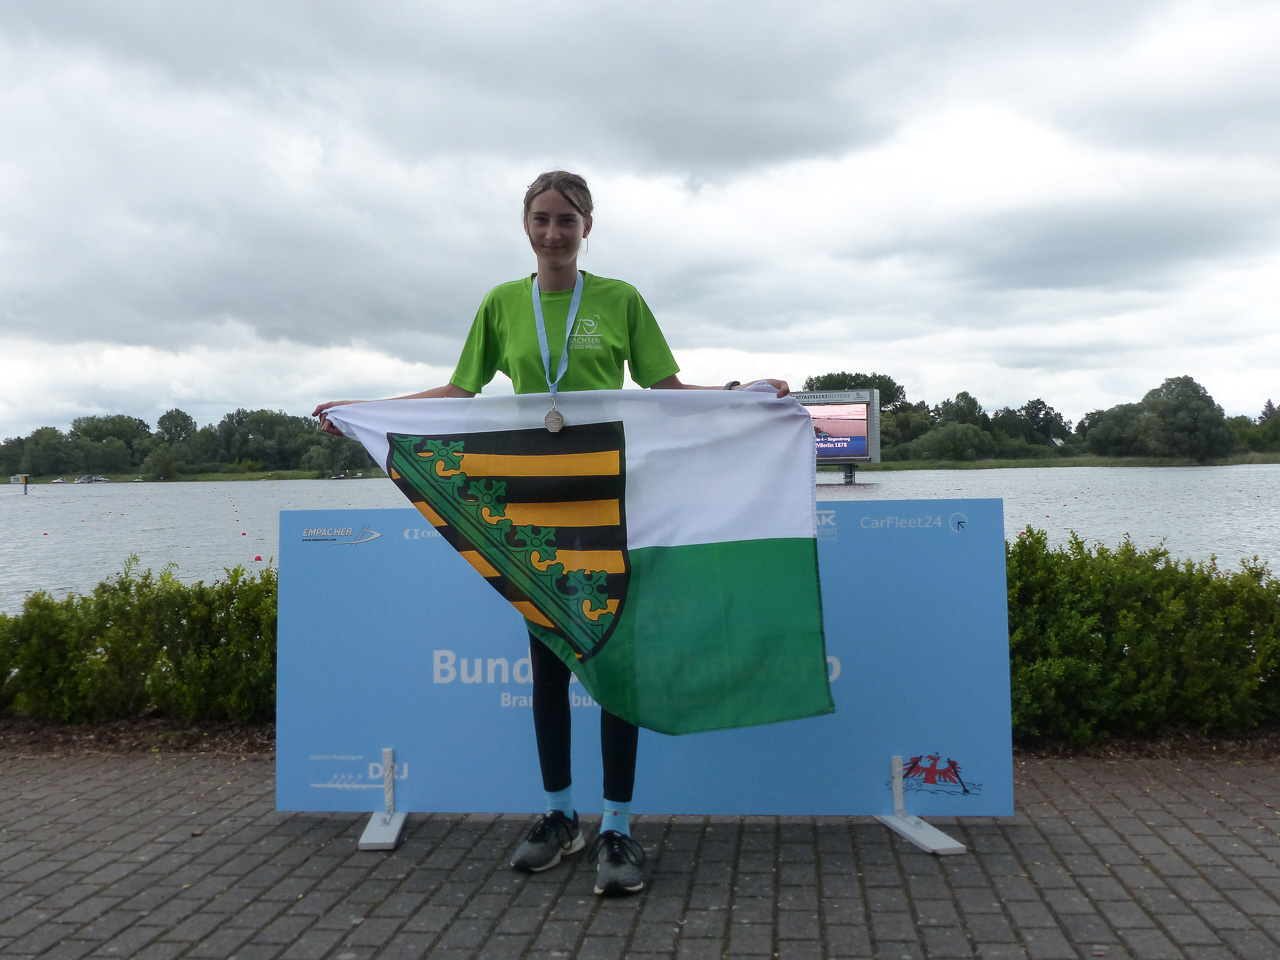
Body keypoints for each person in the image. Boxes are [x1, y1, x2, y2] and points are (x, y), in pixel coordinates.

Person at [315, 170, 788, 896]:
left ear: (586, 227)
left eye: (566, 220)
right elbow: (459, 393)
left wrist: (741, 395)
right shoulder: (502, 304)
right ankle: (560, 816)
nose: (553, 232)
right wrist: (366, 410)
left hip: (611, 501)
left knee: (616, 666)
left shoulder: (620, 299)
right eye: (541, 218)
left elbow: (666, 392)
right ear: (525, 226)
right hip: (534, 508)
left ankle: (618, 827)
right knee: (549, 669)